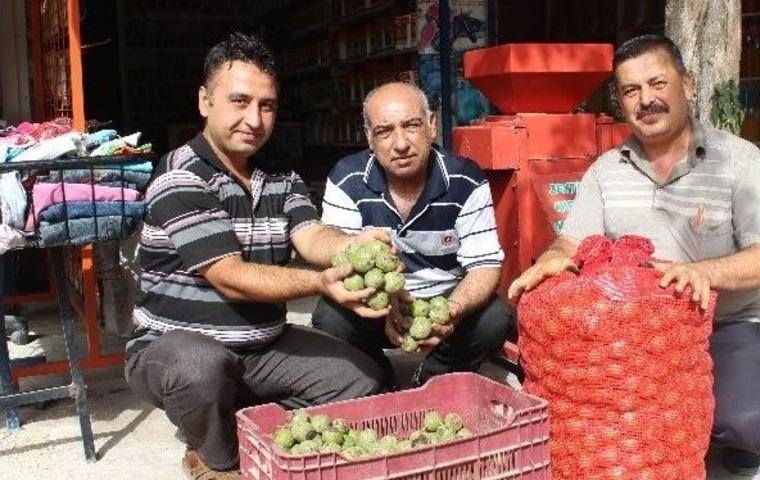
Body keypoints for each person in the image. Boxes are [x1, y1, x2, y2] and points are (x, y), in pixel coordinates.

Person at [508, 35, 760, 476]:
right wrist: (552, 260)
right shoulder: (606, 170)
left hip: (725, 324)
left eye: (657, 83)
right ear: (620, 102)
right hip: (634, 335)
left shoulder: (739, 161)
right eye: (631, 91)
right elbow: (571, 241)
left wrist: (699, 272)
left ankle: (727, 433)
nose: (646, 100)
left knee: (749, 423)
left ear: (688, 85)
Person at [124, 33, 391, 480]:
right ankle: (216, 457)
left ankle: (238, 415)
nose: (254, 119)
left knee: (363, 381)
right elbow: (230, 276)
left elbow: (311, 236)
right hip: (172, 347)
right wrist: (322, 283)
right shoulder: (180, 178)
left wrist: (355, 246)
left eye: (267, 105)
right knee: (199, 368)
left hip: (261, 345)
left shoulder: (280, 178)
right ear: (205, 101)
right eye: (240, 101)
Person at [312, 82, 514, 388]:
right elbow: (339, 259)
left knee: (496, 318)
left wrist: (453, 310)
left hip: (444, 299)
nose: (401, 143)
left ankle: (434, 375)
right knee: (329, 317)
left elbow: (485, 265)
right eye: (384, 131)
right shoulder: (348, 177)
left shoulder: (465, 179)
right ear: (369, 137)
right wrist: (388, 304)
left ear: (431, 126)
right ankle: (375, 375)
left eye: (411, 125)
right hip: (377, 302)